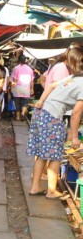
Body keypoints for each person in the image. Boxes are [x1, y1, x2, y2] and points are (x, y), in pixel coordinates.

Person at [27, 43, 83, 199]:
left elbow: (51, 85)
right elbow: (76, 113)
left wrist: (40, 101)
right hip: (51, 118)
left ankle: (35, 187)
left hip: (41, 114)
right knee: (55, 155)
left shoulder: (73, 78)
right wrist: (74, 137)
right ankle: (51, 191)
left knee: (42, 154)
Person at [10, 55, 34, 121]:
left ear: (19, 60)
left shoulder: (16, 68)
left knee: (17, 102)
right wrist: (32, 89)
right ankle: (23, 113)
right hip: (26, 88)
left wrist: (12, 88)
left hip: (17, 87)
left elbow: (14, 80)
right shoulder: (30, 69)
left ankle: (17, 116)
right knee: (25, 102)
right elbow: (32, 81)